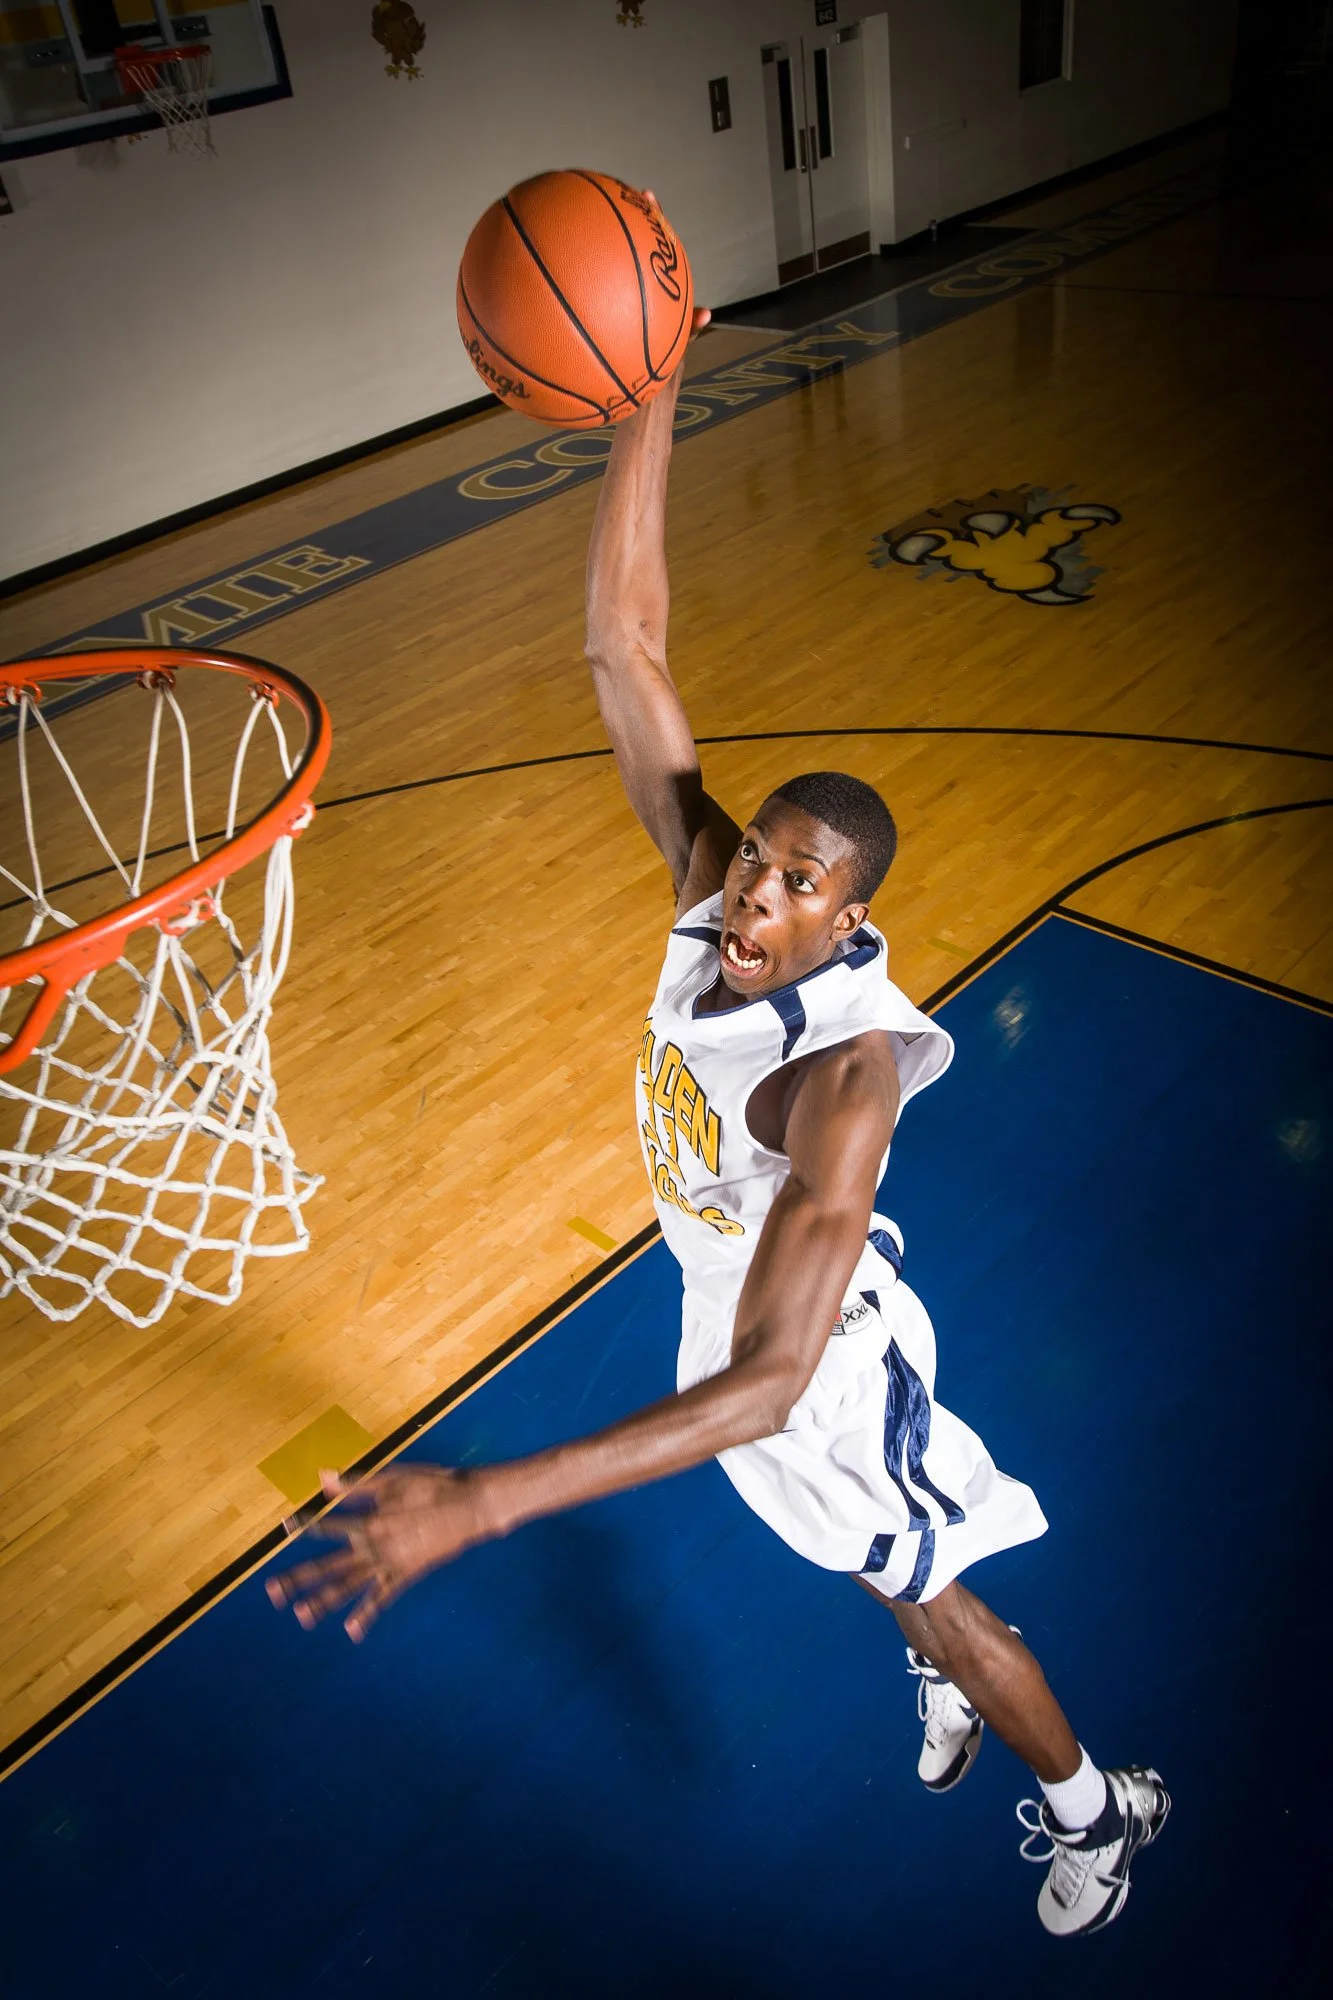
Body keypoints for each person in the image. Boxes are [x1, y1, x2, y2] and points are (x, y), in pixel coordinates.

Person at [269, 320, 1168, 1940]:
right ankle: (936, 1656)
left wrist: (485, 1500)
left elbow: (768, 1381)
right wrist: (649, 400)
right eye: (757, 854)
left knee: (936, 1592)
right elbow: (625, 650)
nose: (755, 888)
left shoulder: (849, 1078)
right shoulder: (715, 904)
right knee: (866, 1558)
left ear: (852, 919)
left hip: (822, 1356)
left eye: (798, 882)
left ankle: (1097, 1807)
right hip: (728, 1289)